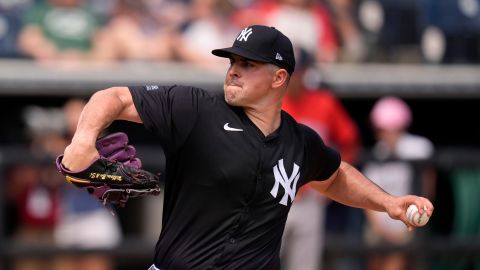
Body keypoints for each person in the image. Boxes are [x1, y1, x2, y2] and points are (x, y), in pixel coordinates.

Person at [59, 25, 433, 269]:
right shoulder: (196, 109)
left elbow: (333, 178)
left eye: (248, 64)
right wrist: (83, 141)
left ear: (279, 77)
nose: (233, 70)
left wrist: (388, 203)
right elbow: (114, 98)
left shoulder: (299, 142)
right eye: (232, 61)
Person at [280, 47, 360, 270]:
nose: (293, 78)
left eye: (297, 72)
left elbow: (349, 140)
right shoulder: (269, 101)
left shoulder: (324, 102)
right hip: (272, 198)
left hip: (309, 199)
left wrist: (331, 180)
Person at [362, 96, 435, 270]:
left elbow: (428, 184)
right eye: (381, 129)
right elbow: (366, 195)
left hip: (410, 221)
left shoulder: (419, 147)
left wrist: (418, 217)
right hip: (380, 223)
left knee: (397, 260)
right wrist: (381, 229)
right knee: (374, 261)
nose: (385, 134)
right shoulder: (377, 152)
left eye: (391, 129)